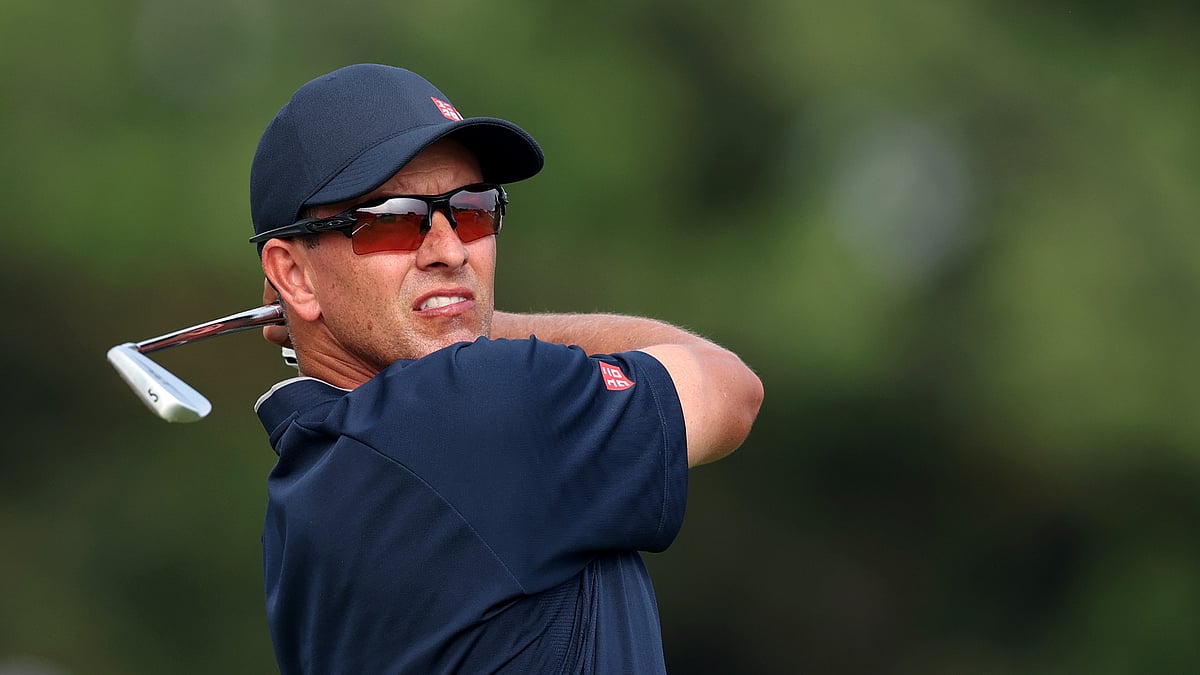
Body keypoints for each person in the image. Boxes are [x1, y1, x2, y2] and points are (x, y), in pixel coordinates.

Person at [247, 64, 763, 674]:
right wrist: (478, 323)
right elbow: (728, 387)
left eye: (470, 209)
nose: (450, 250)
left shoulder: (302, 495)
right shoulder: (486, 405)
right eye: (391, 219)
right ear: (293, 274)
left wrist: (436, 315)